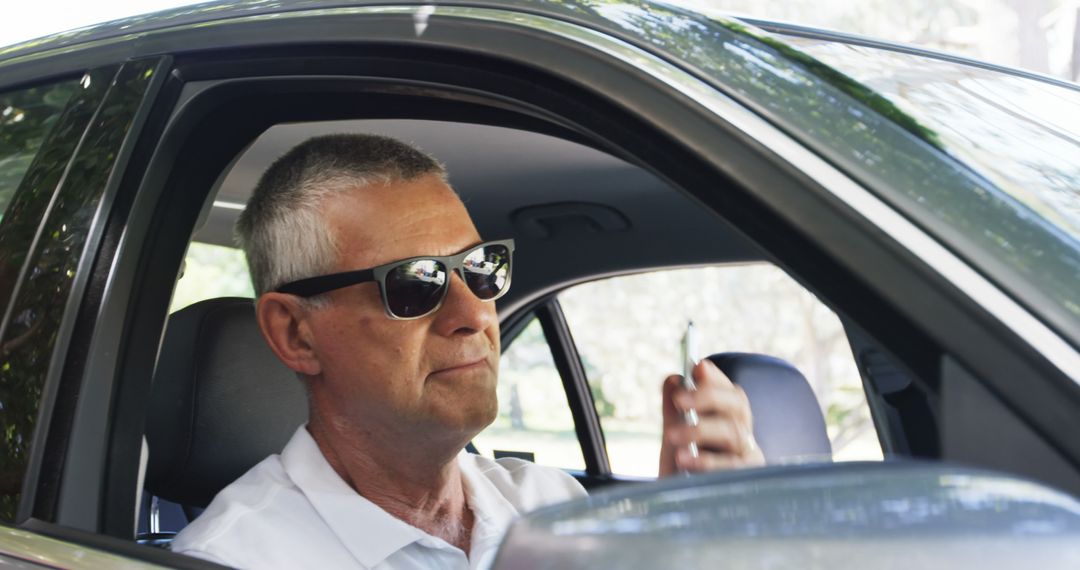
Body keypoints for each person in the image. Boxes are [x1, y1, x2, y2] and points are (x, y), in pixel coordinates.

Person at [171, 134, 764, 569]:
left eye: (481, 269)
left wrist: (697, 530)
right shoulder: (233, 560)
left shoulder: (548, 501)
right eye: (414, 283)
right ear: (296, 334)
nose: (474, 314)